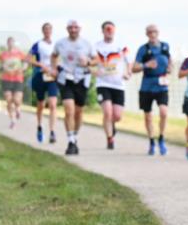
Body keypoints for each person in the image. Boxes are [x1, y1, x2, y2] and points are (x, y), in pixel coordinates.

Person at [51, 20, 94, 155]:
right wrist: (54, 69)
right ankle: (70, 141)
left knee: (78, 112)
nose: (73, 30)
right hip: (66, 79)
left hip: (82, 79)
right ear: (67, 29)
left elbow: (97, 59)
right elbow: (54, 55)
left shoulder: (86, 44)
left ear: (80, 29)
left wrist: (88, 62)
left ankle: (74, 136)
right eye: (71, 27)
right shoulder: (60, 43)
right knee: (69, 110)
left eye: (76, 27)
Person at [132, 25, 173, 156]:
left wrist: (170, 68)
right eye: (150, 32)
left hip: (162, 85)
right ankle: (151, 141)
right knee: (148, 116)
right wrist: (146, 65)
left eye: (154, 32)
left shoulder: (165, 46)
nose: (152, 34)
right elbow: (134, 68)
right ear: (147, 34)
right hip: (147, 86)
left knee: (163, 112)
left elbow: (170, 61)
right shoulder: (143, 49)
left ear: (158, 33)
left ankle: (161, 138)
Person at [92, 21, 132, 150]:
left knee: (117, 116)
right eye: (107, 29)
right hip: (103, 83)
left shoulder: (121, 46)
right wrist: (94, 71)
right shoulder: (96, 47)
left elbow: (129, 62)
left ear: (114, 31)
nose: (109, 32)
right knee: (107, 112)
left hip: (118, 84)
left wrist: (128, 72)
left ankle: (111, 125)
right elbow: (89, 63)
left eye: (111, 29)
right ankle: (110, 139)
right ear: (102, 31)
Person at [29, 23, 59, 143]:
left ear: (51, 31)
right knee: (41, 104)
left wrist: (56, 69)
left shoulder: (56, 45)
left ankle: (52, 132)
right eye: (45, 29)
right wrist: (40, 64)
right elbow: (28, 58)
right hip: (40, 76)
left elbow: (60, 58)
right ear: (43, 31)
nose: (47, 31)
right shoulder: (38, 44)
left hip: (52, 77)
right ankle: (40, 126)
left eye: (49, 29)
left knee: (53, 104)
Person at [0, 37, 27, 129]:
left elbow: (26, 63)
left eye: (12, 42)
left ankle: (18, 109)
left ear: (14, 43)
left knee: (17, 100)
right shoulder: (3, 54)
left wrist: (22, 68)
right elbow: (0, 66)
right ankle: (12, 120)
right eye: (9, 42)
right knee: (9, 100)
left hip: (18, 79)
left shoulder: (19, 53)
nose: (10, 44)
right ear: (7, 43)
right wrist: (2, 68)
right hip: (6, 79)